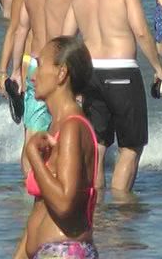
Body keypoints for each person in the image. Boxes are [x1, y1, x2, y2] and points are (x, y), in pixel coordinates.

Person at [63, 0, 162, 192]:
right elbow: (142, 33)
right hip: (121, 72)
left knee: (99, 145)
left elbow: (65, 39)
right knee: (130, 147)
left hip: (90, 74)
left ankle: (97, 208)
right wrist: (158, 69)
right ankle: (121, 209)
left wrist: (72, 80)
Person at [13, 37, 98, 259]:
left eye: (40, 65)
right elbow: (41, 206)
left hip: (65, 251)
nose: (33, 75)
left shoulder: (72, 128)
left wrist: (33, 155)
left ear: (62, 74)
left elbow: (63, 203)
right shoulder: (55, 126)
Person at [10, 0, 83, 173]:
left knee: (32, 131)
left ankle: (27, 186)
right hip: (60, 66)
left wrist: (15, 71)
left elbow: (20, 31)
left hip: (34, 65)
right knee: (63, 125)